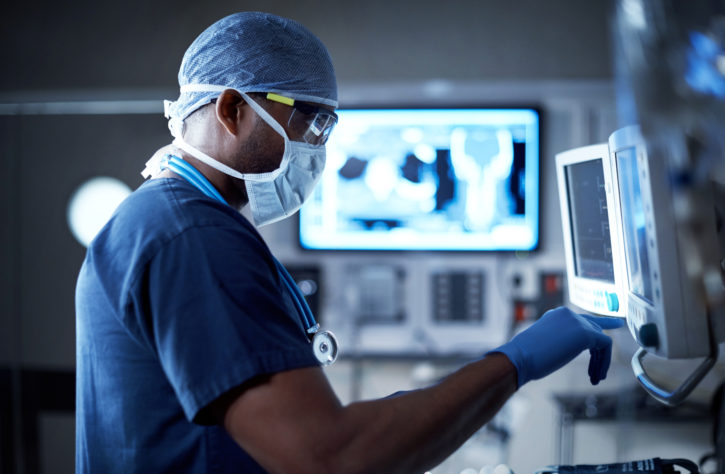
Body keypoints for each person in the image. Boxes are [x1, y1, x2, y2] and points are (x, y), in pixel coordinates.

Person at [75, 11, 624, 474]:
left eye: (329, 129)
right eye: (311, 124)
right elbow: (330, 457)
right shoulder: (194, 236)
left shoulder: (161, 220)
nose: (319, 150)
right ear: (232, 109)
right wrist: (517, 361)